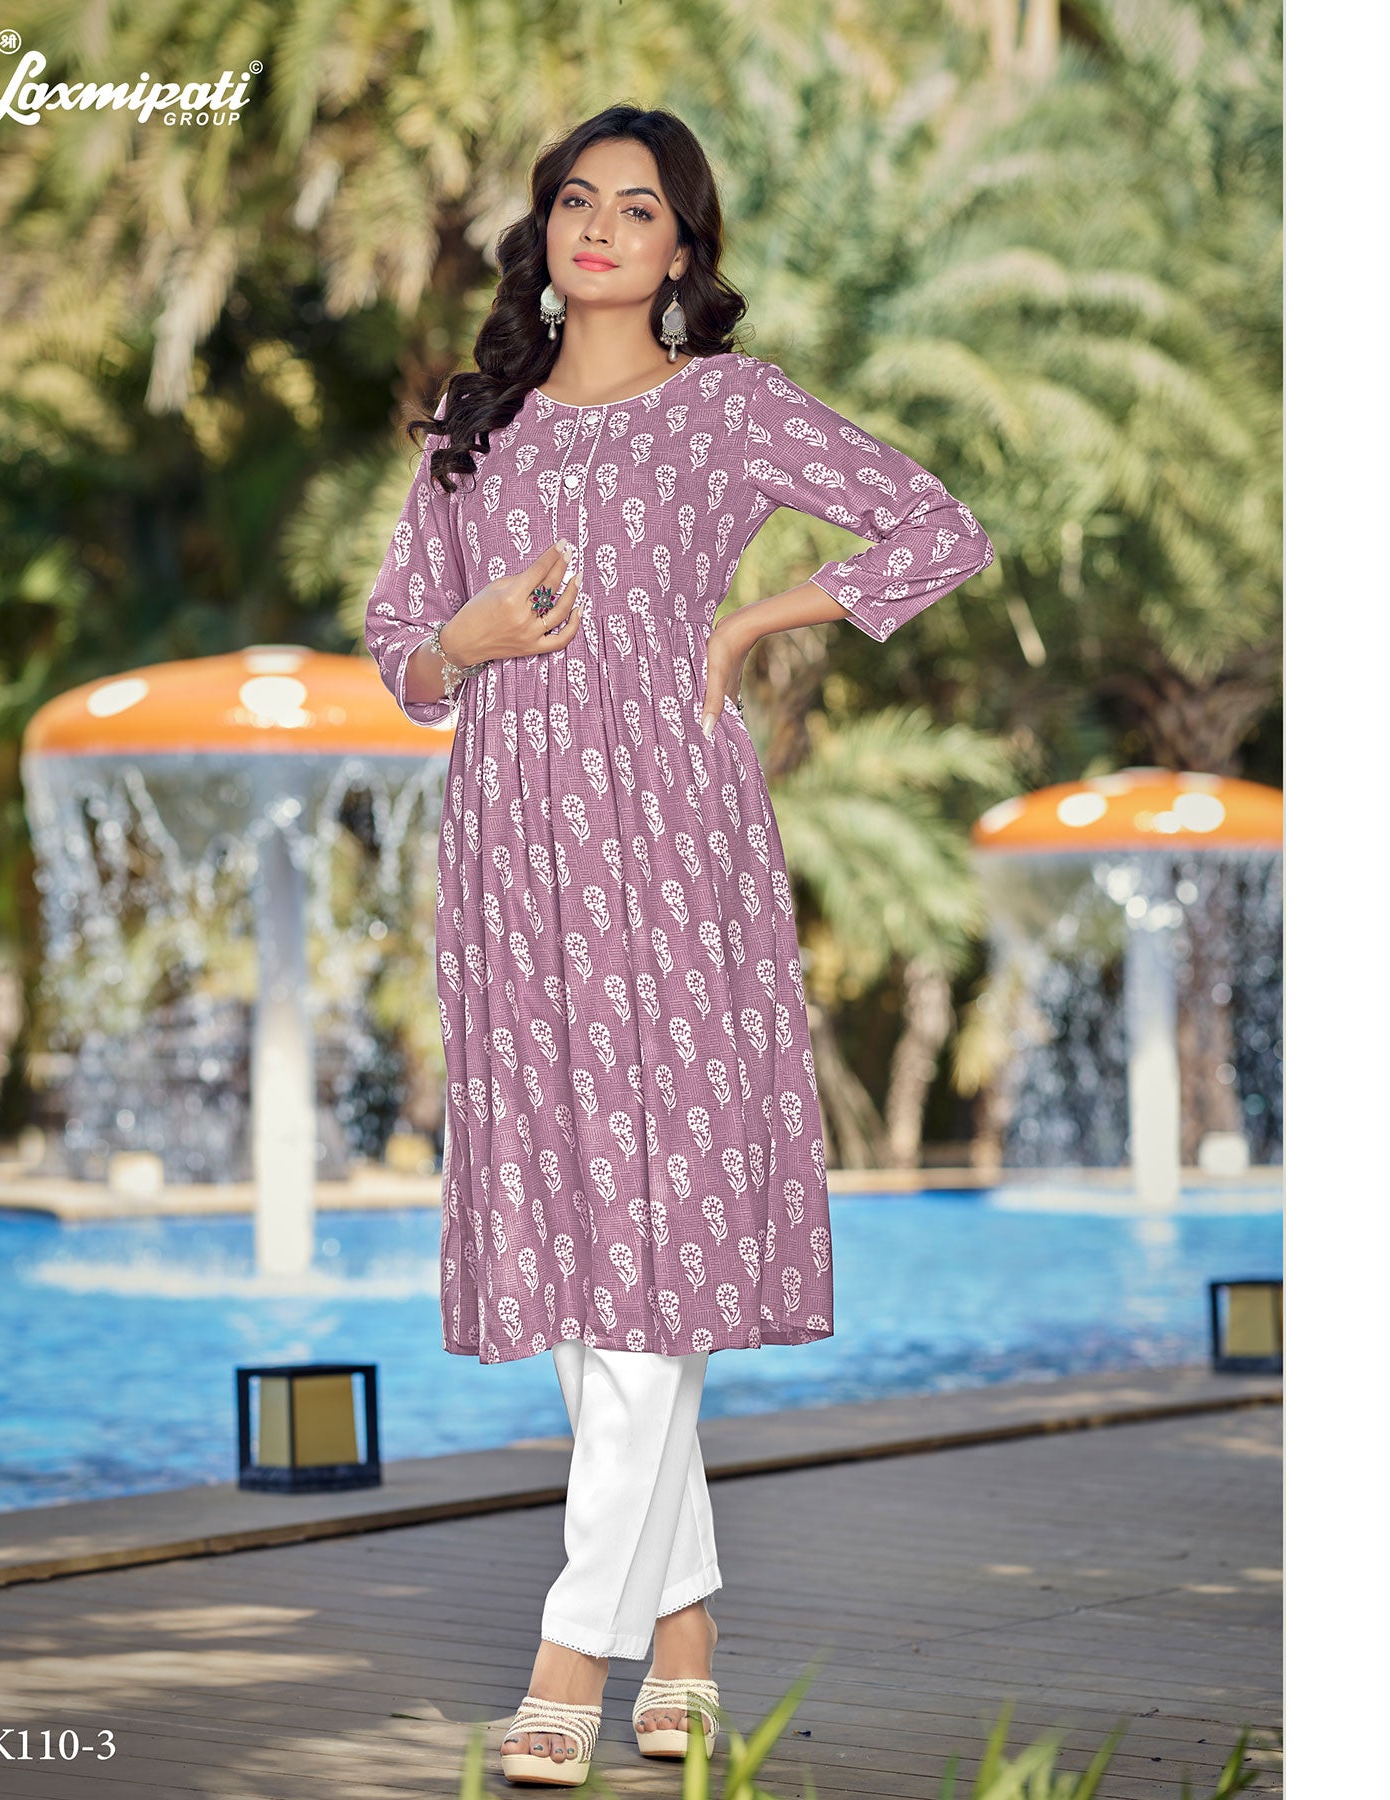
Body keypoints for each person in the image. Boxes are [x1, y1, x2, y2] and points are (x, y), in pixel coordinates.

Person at [364, 106, 995, 1788]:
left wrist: (759, 617)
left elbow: (938, 531)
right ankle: (691, 1628)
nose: (599, 227)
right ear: (545, 232)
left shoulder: (732, 407)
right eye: (577, 200)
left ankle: (573, 1652)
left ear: (681, 249)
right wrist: (462, 641)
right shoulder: (475, 426)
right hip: (513, 853)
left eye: (637, 209)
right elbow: (397, 647)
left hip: (673, 844)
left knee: (662, 1214)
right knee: (590, 1240)